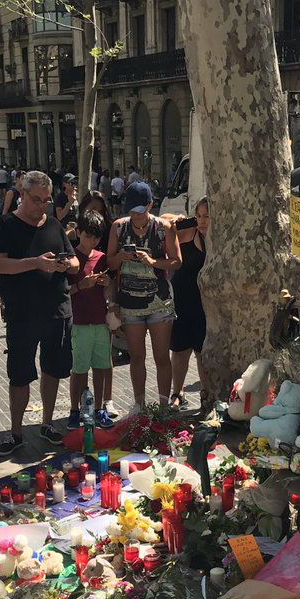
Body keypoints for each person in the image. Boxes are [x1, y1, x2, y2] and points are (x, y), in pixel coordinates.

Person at [0, 170, 79, 456]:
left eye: (46, 200)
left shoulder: (53, 224)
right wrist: (36, 263)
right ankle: (15, 432)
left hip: (56, 310)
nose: (41, 205)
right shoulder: (4, 225)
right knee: (20, 375)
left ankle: (47, 423)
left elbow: (75, 261)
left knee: (53, 370)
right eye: (36, 199)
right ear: (22, 195)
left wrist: (67, 265)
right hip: (22, 315)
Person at [105, 181, 182, 409]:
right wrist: (120, 257)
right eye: (131, 211)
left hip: (159, 301)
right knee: (136, 356)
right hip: (130, 302)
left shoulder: (163, 228)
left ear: (150, 205)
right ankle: (139, 404)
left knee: (161, 356)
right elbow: (109, 261)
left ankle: (163, 404)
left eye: (139, 211)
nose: (135, 216)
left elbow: (177, 262)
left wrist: (153, 261)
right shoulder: (118, 227)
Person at [68, 210, 113, 427]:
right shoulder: (70, 258)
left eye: (96, 237)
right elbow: (62, 292)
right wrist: (80, 285)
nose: (91, 241)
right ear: (78, 232)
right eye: (87, 236)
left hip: (100, 321)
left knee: (101, 367)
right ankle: (76, 410)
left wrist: (106, 284)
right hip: (79, 323)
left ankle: (99, 408)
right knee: (79, 369)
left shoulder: (102, 258)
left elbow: (110, 290)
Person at [170, 196, 209, 409]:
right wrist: (178, 219)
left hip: (206, 304)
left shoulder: (221, 236)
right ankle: (177, 393)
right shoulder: (189, 230)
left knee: (202, 351)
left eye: (207, 216)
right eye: (199, 216)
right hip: (183, 299)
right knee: (180, 350)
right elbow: (165, 223)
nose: (202, 221)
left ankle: (205, 393)